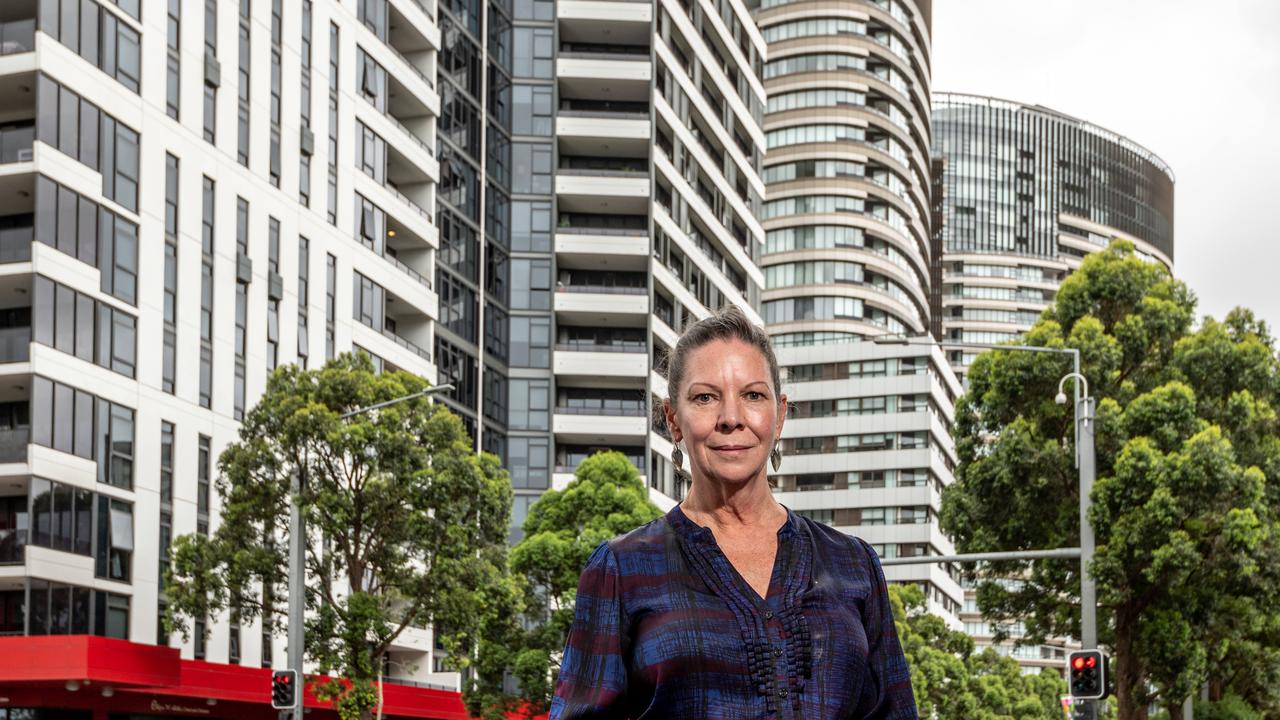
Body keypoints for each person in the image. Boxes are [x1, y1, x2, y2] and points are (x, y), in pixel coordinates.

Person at [550, 305, 918, 719]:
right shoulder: (621, 569)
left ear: (778, 416)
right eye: (705, 397)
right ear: (674, 420)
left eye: (753, 395)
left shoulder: (853, 564)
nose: (731, 418)